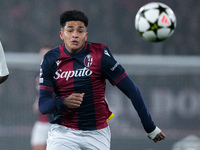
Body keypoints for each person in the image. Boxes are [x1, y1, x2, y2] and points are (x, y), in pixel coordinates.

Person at [39, 10, 166, 150]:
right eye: (70, 30)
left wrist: (150, 127)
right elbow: (43, 105)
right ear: (61, 34)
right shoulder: (50, 59)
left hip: (97, 133)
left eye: (80, 31)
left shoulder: (100, 54)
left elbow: (132, 90)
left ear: (85, 35)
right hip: (63, 133)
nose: (75, 34)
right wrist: (64, 102)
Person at [31, 45, 53, 150]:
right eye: (42, 55)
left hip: (56, 122)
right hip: (41, 121)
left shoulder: (61, 73)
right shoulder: (38, 73)